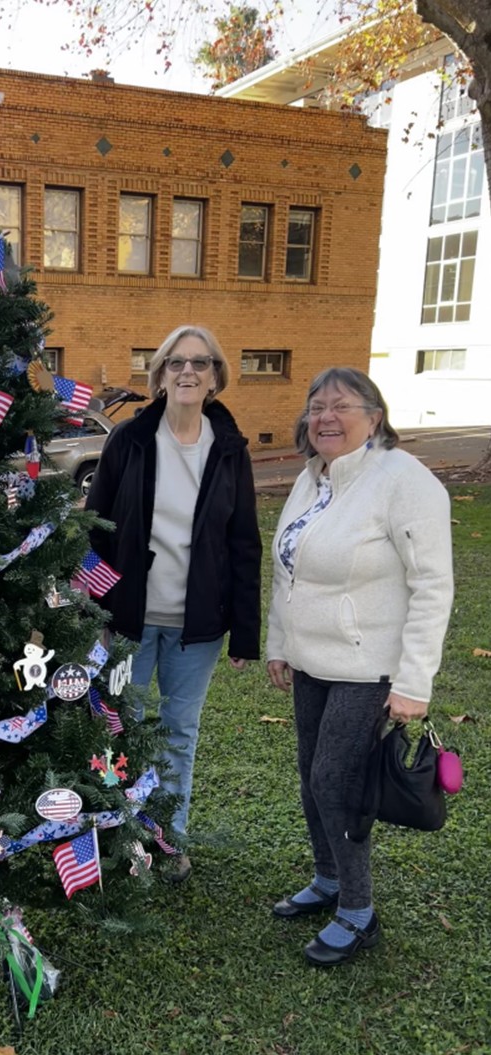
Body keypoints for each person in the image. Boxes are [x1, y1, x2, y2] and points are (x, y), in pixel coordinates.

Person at [267, 367, 453, 966]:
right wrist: (279, 643)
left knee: (335, 782)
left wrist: (413, 683)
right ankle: (328, 880)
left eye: (341, 406)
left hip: (368, 666)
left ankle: (358, 910)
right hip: (312, 660)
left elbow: (433, 586)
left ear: (375, 417)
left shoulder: (404, 480)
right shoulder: (312, 477)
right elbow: (286, 565)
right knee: (309, 774)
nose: (325, 416)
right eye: (316, 406)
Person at [86, 325, 262, 880]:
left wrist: (247, 631)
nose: (188, 372)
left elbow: (244, 541)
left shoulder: (229, 448)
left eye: (200, 363)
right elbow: (95, 529)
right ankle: (126, 839)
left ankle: (170, 841)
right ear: (160, 375)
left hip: (199, 625)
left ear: (215, 377)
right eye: (176, 363)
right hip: (130, 619)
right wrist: (95, 615)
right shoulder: (130, 440)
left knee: (179, 735)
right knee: (124, 731)